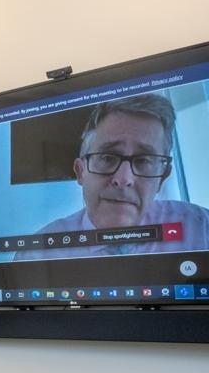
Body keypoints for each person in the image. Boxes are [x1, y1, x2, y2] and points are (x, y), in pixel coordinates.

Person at [17, 93, 209, 260]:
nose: (123, 179)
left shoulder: (202, 229)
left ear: (163, 177)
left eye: (143, 161)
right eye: (108, 157)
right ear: (80, 171)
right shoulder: (37, 253)